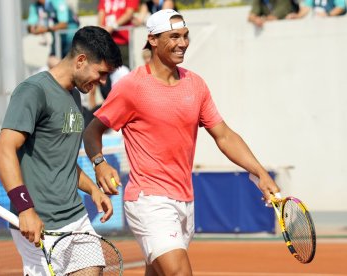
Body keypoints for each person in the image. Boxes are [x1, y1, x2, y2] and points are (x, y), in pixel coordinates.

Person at [83, 9, 280, 276]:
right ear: (152, 39)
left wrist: (259, 172)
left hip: (185, 201)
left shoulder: (195, 84)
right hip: (149, 200)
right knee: (179, 273)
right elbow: (92, 131)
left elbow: (224, 135)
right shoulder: (131, 87)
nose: (183, 43)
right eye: (174, 36)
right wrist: (99, 163)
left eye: (186, 36)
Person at [0, 26, 123, 275]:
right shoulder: (33, 91)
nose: (103, 82)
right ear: (81, 60)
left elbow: (59, 161)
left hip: (76, 217)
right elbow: (3, 151)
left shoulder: (74, 96)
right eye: (101, 73)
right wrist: (25, 209)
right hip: (40, 224)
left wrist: (93, 189)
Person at [98, 0, 139, 68]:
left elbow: (129, 14)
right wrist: (100, 29)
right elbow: (101, 12)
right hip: (106, 41)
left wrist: (113, 26)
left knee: (124, 68)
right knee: (106, 68)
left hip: (123, 41)